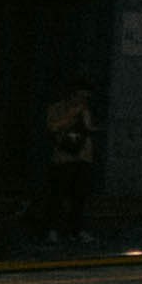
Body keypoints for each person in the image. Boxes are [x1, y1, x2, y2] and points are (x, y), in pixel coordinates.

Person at [39, 82, 101, 245]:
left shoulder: (86, 111)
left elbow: (88, 129)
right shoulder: (57, 108)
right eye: (79, 96)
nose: (82, 100)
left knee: (79, 197)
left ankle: (77, 229)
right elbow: (52, 127)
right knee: (57, 195)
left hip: (82, 157)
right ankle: (52, 229)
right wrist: (72, 115)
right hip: (64, 158)